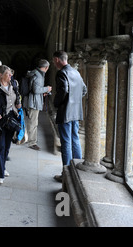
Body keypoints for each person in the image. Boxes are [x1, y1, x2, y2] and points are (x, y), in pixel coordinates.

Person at [52, 51, 87, 182]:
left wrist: (57, 103)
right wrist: (75, 101)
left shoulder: (62, 73)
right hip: (76, 112)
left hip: (65, 112)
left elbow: (64, 90)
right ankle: (77, 171)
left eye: (53, 60)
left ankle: (66, 174)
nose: (54, 63)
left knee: (66, 142)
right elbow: (84, 90)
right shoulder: (76, 72)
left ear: (57, 59)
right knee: (75, 139)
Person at [0, 65, 21, 184]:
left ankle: (3, 167)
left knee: (7, 146)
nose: (10, 75)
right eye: (8, 73)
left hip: (11, 119)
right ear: (0, 75)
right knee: (0, 147)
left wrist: (18, 105)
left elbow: (17, 98)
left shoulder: (14, 85)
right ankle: (0, 174)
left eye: (11, 73)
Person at [23, 59, 52, 151]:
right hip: (34, 102)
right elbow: (36, 90)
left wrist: (42, 92)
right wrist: (47, 89)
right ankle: (32, 142)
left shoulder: (36, 73)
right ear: (46, 67)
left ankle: (32, 141)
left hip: (33, 100)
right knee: (33, 122)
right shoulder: (39, 76)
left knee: (33, 121)